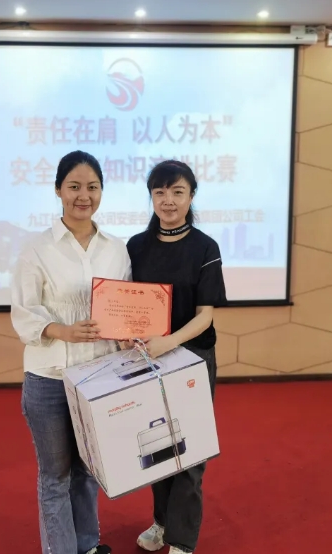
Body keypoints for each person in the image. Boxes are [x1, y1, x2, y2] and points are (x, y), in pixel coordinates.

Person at [11, 150, 130, 554]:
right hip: (49, 379)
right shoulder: (36, 249)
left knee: (88, 471)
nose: (84, 196)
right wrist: (62, 331)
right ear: (58, 190)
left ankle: (88, 545)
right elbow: (24, 312)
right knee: (55, 476)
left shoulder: (116, 249)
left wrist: (128, 334)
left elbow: (123, 307)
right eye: (74, 186)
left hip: (99, 377)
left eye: (92, 187)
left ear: (102, 191)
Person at [126, 160, 227, 554]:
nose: (168, 200)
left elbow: (205, 316)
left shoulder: (205, 247)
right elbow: (128, 305)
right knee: (157, 446)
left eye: (177, 192)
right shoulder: (136, 246)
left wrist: (169, 342)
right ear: (151, 196)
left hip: (192, 358)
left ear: (191, 196)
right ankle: (162, 523)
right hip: (149, 359)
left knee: (190, 448)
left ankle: (182, 541)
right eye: (160, 192)